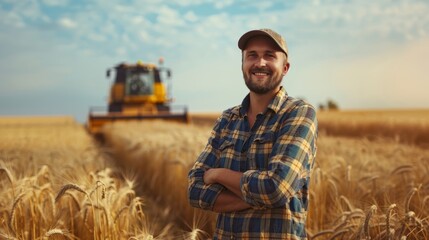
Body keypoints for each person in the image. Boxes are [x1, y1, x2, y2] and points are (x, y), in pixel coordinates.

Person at [188, 28, 318, 239]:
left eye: (269, 55)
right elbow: (195, 191)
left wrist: (219, 174)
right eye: (252, 55)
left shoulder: (298, 113)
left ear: (285, 68)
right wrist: (263, 198)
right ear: (243, 65)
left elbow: (276, 188)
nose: (260, 63)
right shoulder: (227, 119)